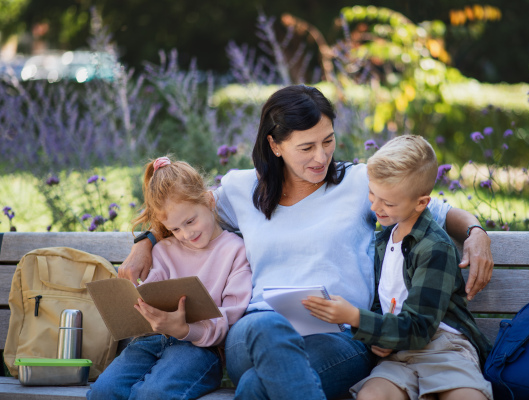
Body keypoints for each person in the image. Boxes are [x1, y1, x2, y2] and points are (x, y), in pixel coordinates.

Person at [118, 85, 493, 399]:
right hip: (253, 333)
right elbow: (183, 211)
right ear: (276, 145)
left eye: (327, 141)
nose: (321, 156)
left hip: (338, 337)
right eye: (306, 147)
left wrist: (476, 233)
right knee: (266, 329)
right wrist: (145, 241)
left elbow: (439, 211)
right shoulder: (240, 188)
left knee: (254, 387)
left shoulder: (359, 183)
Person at [303, 135, 493, 400]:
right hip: (397, 354)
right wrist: (377, 338)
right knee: (371, 395)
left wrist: (355, 317)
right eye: (372, 193)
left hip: (443, 348)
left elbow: (419, 328)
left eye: (388, 203)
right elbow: (385, 302)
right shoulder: (384, 240)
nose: (375, 207)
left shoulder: (434, 248)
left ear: (421, 203)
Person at [87, 157, 252, 400]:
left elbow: (229, 319)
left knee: (152, 394)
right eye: (175, 229)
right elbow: (151, 295)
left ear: (209, 201)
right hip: (150, 342)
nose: (186, 234)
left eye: (190, 221)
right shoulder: (163, 250)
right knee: (103, 391)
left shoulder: (235, 251)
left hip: (198, 348)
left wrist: (184, 328)